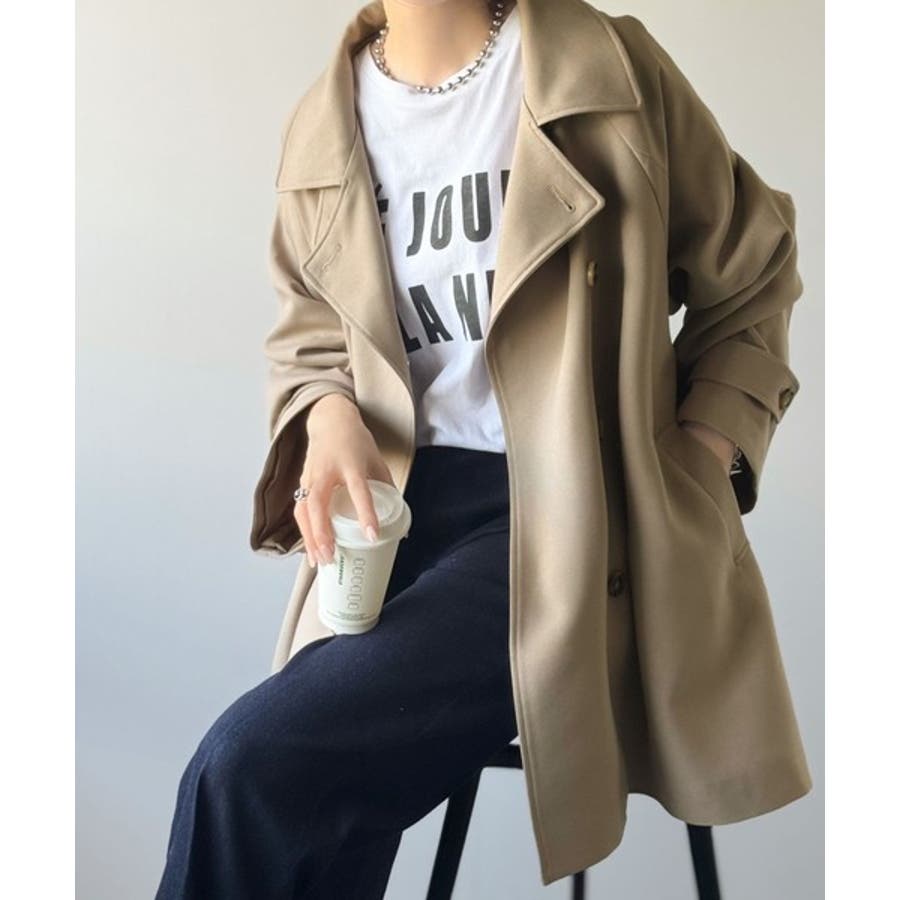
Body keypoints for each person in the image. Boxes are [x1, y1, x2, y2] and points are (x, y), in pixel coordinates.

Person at [156, 0, 810, 896]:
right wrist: (326, 410)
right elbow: (309, 331)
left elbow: (755, 271)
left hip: (563, 518)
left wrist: (698, 460)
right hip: (390, 518)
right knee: (303, 795)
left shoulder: (601, 67)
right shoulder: (324, 120)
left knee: (246, 771)